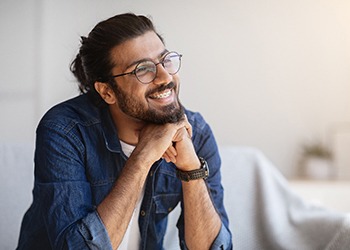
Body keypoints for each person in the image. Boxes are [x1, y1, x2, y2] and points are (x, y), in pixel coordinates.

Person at [17, 13, 232, 249]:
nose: (165, 77)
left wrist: (191, 170)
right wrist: (142, 158)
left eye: (165, 61)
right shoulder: (65, 131)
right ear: (107, 92)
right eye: (143, 69)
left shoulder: (194, 133)